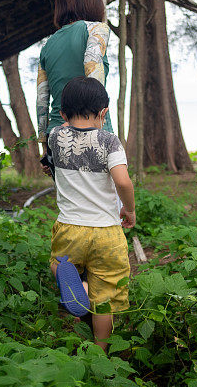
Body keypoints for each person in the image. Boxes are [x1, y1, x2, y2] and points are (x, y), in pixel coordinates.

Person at [47, 77, 135, 352]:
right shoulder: (110, 142)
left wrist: (66, 122)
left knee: (58, 264)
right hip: (106, 232)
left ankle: (79, 290)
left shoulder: (53, 138)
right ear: (104, 113)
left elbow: (63, 130)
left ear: (62, 114)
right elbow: (122, 181)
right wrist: (129, 209)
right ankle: (100, 351)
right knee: (106, 295)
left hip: (70, 227)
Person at [37, 0, 113, 173]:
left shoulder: (47, 45)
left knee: (70, 200)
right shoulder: (97, 29)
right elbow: (92, 69)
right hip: (93, 126)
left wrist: (45, 145)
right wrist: (94, 123)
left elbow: (41, 100)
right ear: (92, 3)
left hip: (57, 134)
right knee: (105, 200)